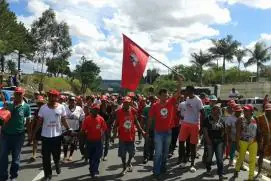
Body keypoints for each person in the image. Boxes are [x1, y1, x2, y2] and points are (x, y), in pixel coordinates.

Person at [32, 89, 71, 181]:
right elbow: (39, 122)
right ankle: (47, 175)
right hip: (45, 137)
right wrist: (33, 133)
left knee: (56, 155)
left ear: (57, 97)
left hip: (57, 136)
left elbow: (63, 120)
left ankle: (57, 164)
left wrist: (69, 129)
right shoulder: (43, 108)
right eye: (49, 95)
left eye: (53, 96)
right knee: (46, 157)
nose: (51, 97)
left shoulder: (61, 107)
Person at [148, 75, 183, 178]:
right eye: (163, 95)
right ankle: (156, 172)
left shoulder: (171, 102)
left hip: (168, 131)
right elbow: (150, 118)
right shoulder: (155, 106)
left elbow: (178, 92)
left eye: (166, 94)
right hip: (158, 132)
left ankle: (163, 168)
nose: (165, 96)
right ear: (159, 96)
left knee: (165, 152)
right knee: (158, 153)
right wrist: (147, 131)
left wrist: (180, 81)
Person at [0, 87, 31, 181]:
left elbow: (28, 121)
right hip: (5, 135)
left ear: (23, 95)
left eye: (20, 94)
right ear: (14, 94)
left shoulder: (26, 107)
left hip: (19, 135)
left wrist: (29, 134)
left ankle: (13, 175)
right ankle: (3, 176)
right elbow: (2, 111)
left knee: (16, 158)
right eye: (16, 93)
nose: (18, 95)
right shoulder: (8, 104)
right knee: (3, 156)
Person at [113, 96, 146, 176]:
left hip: (131, 136)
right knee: (123, 154)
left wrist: (141, 130)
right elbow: (116, 124)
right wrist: (114, 135)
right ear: (123, 103)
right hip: (122, 137)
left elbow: (136, 121)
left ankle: (128, 162)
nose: (126, 104)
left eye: (128, 103)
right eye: (125, 103)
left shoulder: (133, 110)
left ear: (130, 103)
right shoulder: (119, 112)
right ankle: (124, 167)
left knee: (132, 153)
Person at [178, 85, 204, 172]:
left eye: (187, 91)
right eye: (185, 91)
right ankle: (184, 159)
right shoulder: (187, 99)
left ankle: (192, 164)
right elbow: (187, 110)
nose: (185, 92)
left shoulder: (198, 100)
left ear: (192, 91)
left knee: (193, 145)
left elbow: (202, 113)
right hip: (185, 123)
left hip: (194, 125)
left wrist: (202, 127)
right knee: (181, 142)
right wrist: (182, 116)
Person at [81, 104, 107, 178]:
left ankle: (95, 171)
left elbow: (104, 129)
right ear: (91, 110)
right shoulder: (87, 119)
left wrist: (104, 139)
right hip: (89, 141)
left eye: (97, 110)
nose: (96, 111)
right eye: (94, 109)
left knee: (97, 157)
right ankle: (92, 169)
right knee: (91, 157)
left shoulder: (101, 119)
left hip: (98, 141)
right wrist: (82, 139)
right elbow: (83, 130)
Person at [203, 103, 227, 181]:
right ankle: (208, 169)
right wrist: (207, 140)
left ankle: (221, 174)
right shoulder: (207, 119)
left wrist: (223, 129)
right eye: (215, 109)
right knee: (209, 157)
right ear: (212, 110)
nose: (217, 111)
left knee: (219, 158)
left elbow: (223, 133)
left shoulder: (222, 120)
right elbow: (205, 130)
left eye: (218, 110)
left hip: (219, 141)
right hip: (210, 141)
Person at [234, 104, 258, 181]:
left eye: (246, 110)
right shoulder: (240, 119)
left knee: (252, 160)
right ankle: (237, 169)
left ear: (251, 111)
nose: (244, 111)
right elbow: (237, 133)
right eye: (244, 110)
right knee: (241, 157)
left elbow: (257, 131)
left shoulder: (255, 119)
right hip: (243, 141)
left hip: (253, 141)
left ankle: (250, 177)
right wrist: (237, 144)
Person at [63, 96, 84, 162]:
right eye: (70, 100)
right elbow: (62, 118)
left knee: (73, 143)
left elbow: (82, 118)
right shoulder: (64, 108)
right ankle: (65, 156)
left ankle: (70, 156)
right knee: (65, 143)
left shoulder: (79, 108)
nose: (72, 102)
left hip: (75, 129)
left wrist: (80, 128)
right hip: (66, 128)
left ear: (75, 101)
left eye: (73, 100)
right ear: (68, 101)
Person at [255, 103, 271, 178]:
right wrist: (259, 141)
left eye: (270, 110)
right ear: (265, 110)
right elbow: (257, 129)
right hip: (263, 141)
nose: (269, 112)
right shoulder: (260, 118)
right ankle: (259, 172)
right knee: (261, 157)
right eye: (267, 110)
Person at [30, 96, 46, 161]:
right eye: (39, 103)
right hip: (36, 127)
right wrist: (31, 129)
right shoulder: (36, 111)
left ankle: (43, 153)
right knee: (35, 141)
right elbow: (33, 120)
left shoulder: (46, 111)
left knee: (44, 142)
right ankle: (34, 155)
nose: (40, 105)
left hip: (44, 128)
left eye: (41, 103)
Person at [142, 96, 156, 164]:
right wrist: (141, 129)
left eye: (155, 99)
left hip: (155, 129)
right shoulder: (146, 108)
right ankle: (145, 157)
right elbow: (143, 119)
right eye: (152, 99)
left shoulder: (157, 108)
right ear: (150, 100)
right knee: (147, 143)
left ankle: (151, 155)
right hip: (147, 128)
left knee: (153, 142)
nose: (153, 101)